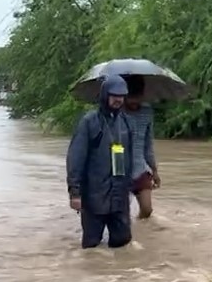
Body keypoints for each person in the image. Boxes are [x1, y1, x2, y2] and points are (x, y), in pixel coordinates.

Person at [66, 74, 136, 249]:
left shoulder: (127, 122)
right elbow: (75, 158)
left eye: (121, 96)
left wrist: (131, 185)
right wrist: (75, 193)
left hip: (120, 196)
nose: (118, 100)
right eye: (114, 95)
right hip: (95, 197)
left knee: (123, 243)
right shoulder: (89, 122)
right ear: (105, 95)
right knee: (91, 247)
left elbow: (130, 158)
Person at [123, 75, 160, 219]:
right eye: (131, 98)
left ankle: (142, 231)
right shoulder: (115, 112)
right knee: (121, 214)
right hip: (120, 170)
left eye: (137, 97)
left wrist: (155, 171)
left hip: (141, 168)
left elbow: (148, 145)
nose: (134, 102)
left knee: (147, 210)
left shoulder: (147, 112)